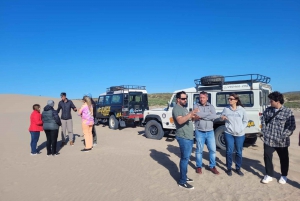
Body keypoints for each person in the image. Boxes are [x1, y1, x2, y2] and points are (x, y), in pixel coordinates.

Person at [261, 91, 296, 184]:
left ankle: (284, 175)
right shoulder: (268, 110)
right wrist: (264, 131)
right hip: (269, 139)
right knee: (267, 156)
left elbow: (291, 126)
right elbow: (263, 120)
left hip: (282, 141)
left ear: (277, 101)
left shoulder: (288, 112)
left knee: (284, 158)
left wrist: (283, 136)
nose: (270, 102)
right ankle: (269, 174)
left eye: (271, 100)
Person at [172, 91, 198, 190]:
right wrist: (190, 113)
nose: (185, 100)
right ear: (178, 99)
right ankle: (182, 181)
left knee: (186, 159)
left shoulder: (183, 108)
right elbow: (180, 120)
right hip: (183, 137)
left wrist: (193, 117)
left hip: (188, 136)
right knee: (184, 159)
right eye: (183, 98)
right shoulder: (177, 109)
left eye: (186, 98)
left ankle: (184, 177)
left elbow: (186, 119)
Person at [221, 93, 248, 176]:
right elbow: (222, 115)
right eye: (229, 99)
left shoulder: (242, 110)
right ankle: (229, 168)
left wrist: (241, 128)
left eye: (231, 99)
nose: (229, 100)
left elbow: (245, 120)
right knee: (229, 151)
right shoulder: (226, 109)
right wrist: (222, 117)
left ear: (236, 100)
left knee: (239, 152)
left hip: (240, 134)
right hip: (229, 133)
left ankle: (238, 168)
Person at [193, 91, 219, 175]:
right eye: (200, 97)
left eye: (203, 97)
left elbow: (214, 116)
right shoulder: (196, 105)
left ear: (207, 98)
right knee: (199, 150)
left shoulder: (211, 106)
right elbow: (198, 114)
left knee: (212, 150)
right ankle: (199, 166)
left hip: (210, 131)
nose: (201, 99)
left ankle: (212, 166)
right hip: (199, 131)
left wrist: (202, 116)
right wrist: (208, 114)